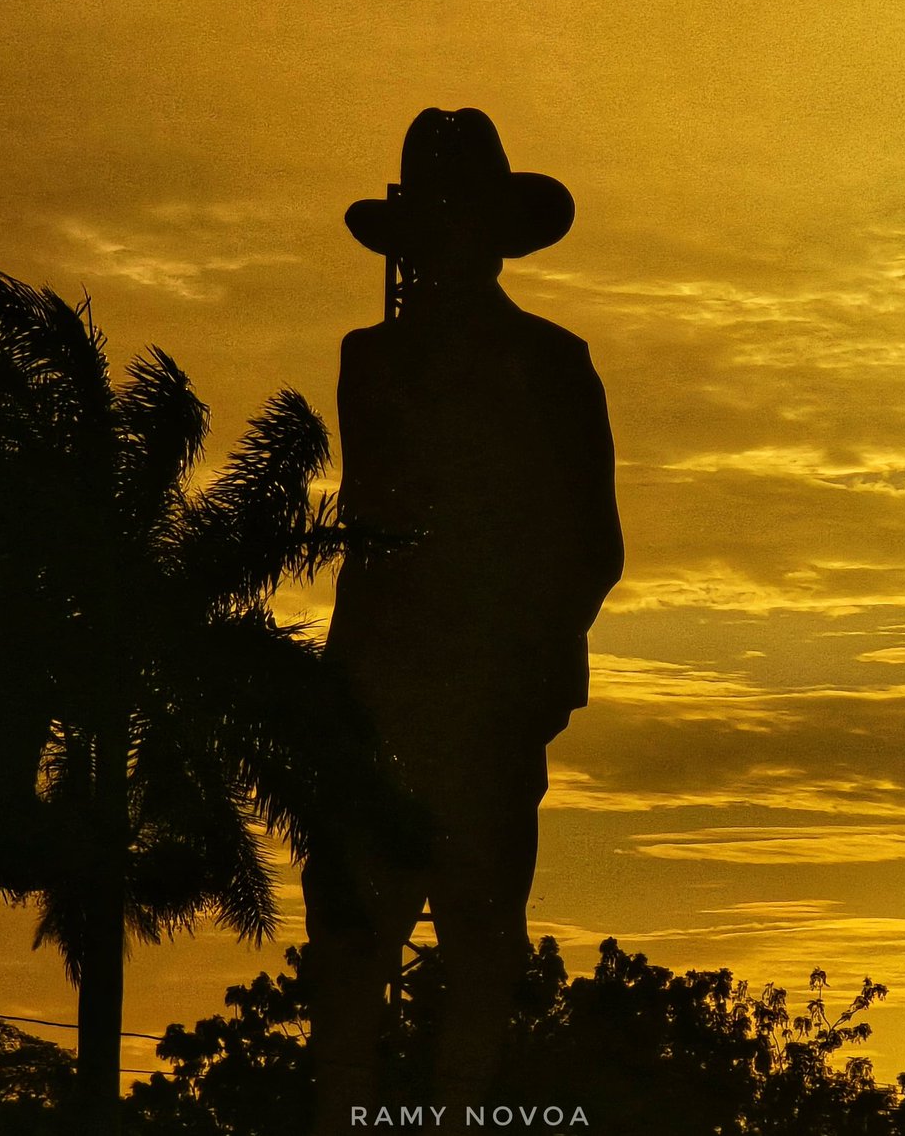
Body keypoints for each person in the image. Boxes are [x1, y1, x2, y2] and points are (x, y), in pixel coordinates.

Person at [302, 108, 623, 1132]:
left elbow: (590, 543)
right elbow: (384, 516)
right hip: (385, 690)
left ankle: (454, 1116)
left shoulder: (547, 361)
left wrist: (531, 670)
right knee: (358, 936)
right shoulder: (376, 358)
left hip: (482, 689)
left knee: (477, 934)